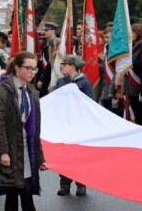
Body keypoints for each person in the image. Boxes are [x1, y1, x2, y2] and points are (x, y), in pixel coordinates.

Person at [0, 51, 47, 211]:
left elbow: (34, 128)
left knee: (21, 190)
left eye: (34, 69)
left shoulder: (31, 91)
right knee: (18, 192)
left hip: (24, 149)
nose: (32, 72)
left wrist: (40, 157)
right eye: (28, 68)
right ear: (16, 67)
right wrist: (3, 151)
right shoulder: (3, 89)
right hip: (10, 148)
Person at [52, 54, 92, 196]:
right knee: (65, 155)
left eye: (65, 64)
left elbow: (89, 104)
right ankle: (64, 184)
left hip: (79, 124)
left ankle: (81, 184)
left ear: (73, 66)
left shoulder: (84, 83)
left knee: (79, 155)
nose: (62, 67)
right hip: (64, 123)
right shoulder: (61, 81)